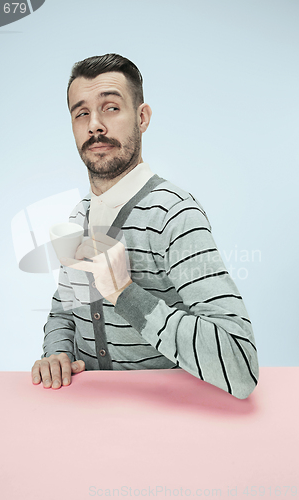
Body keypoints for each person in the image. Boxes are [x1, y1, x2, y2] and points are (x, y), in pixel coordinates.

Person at [31, 53, 259, 399]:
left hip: (164, 430)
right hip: (86, 427)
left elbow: (240, 366)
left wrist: (125, 293)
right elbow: (63, 310)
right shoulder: (79, 216)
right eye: (81, 113)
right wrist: (56, 354)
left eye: (110, 107)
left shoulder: (174, 214)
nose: (94, 125)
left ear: (142, 117)